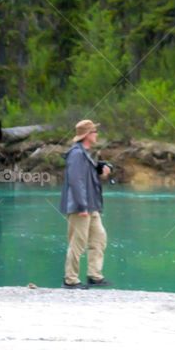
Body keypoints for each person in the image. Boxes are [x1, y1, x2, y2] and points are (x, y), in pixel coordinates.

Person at [59, 118, 111, 288]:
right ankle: (70, 279)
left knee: (99, 239)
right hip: (81, 207)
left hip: (92, 206)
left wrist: (100, 171)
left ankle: (94, 275)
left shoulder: (85, 154)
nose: (97, 134)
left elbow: (87, 180)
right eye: (94, 132)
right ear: (87, 135)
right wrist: (82, 206)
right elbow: (75, 181)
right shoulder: (76, 154)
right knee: (78, 242)